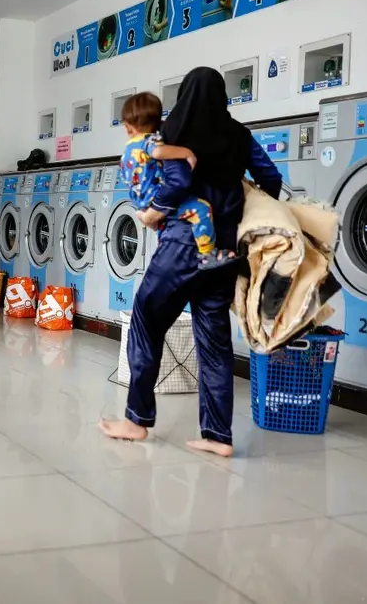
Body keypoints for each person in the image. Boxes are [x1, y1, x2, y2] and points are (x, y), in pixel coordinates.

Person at [100, 67, 283, 457]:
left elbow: (177, 181)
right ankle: (218, 436)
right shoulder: (239, 135)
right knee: (214, 339)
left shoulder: (173, 131)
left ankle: (136, 420)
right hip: (225, 249)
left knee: (146, 318)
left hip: (183, 245)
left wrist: (154, 211)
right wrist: (246, 205)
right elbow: (271, 177)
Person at [119, 92, 236, 269]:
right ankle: (207, 255)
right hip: (159, 199)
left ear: (128, 128)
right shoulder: (149, 141)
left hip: (141, 202)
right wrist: (186, 152)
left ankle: (164, 249)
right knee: (202, 209)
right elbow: (159, 152)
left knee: (165, 226)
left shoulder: (127, 150)